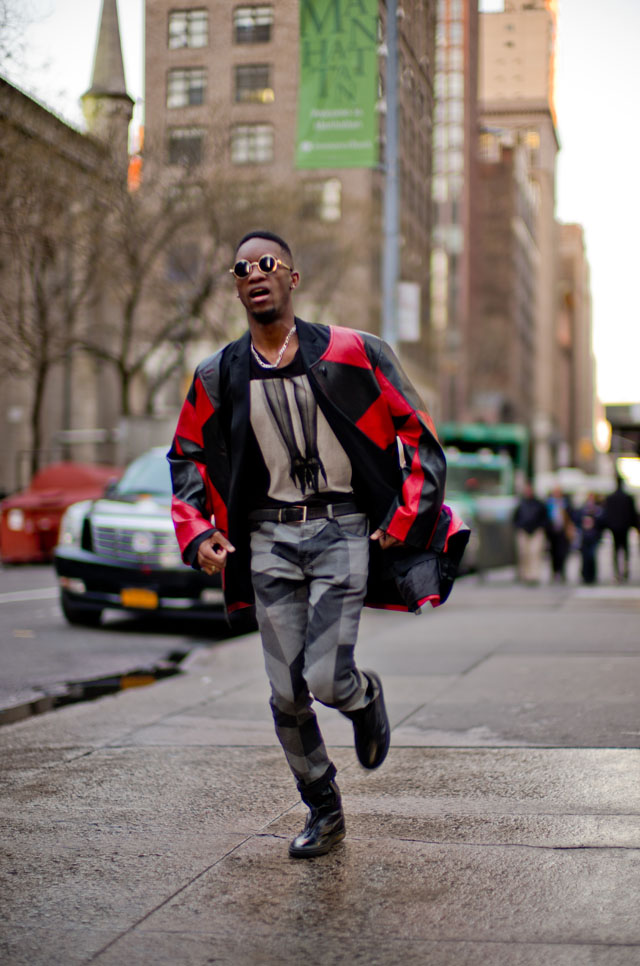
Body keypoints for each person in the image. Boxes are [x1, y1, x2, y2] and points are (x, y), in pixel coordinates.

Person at [167, 230, 468, 859]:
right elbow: (186, 456)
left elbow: (420, 433)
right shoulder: (218, 374)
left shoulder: (355, 353)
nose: (255, 274)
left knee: (328, 679)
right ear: (237, 285)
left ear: (292, 279)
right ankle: (322, 807)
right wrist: (197, 532)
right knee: (285, 692)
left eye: (268, 263)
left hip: (342, 529)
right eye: (242, 267)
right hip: (267, 539)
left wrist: (407, 516)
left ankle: (362, 697)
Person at [602, 477, 639, 582]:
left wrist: (608, 526)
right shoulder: (627, 498)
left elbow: (607, 514)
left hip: (615, 528)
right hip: (624, 528)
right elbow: (633, 514)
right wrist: (635, 526)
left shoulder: (610, 498)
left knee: (616, 550)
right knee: (625, 550)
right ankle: (626, 570)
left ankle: (617, 572)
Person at [513, 481, 548, 584]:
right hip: (524, 531)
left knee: (535, 553)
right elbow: (515, 518)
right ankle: (525, 574)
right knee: (524, 553)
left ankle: (534, 575)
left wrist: (540, 527)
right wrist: (519, 526)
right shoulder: (521, 503)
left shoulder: (539, 504)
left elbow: (544, 518)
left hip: (536, 531)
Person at [545, 487, 575, 583]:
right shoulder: (549, 504)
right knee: (553, 553)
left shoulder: (566, 503)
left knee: (563, 553)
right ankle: (555, 571)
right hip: (553, 532)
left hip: (563, 532)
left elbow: (571, 516)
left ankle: (562, 571)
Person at [576, 492, 603, 585]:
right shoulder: (583, 510)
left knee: (592, 556)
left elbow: (601, 522)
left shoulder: (598, 510)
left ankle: (592, 575)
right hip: (584, 537)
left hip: (593, 537)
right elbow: (577, 519)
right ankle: (585, 575)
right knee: (584, 557)